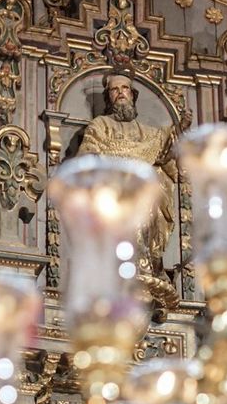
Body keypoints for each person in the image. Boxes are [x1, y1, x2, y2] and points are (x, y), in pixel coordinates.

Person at [77, 71, 184, 305]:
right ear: (109, 97)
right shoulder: (100, 125)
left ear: (132, 95)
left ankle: (146, 263)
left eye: (124, 89)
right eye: (115, 90)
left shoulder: (151, 133)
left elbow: (168, 163)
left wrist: (175, 141)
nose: (120, 94)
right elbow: (87, 158)